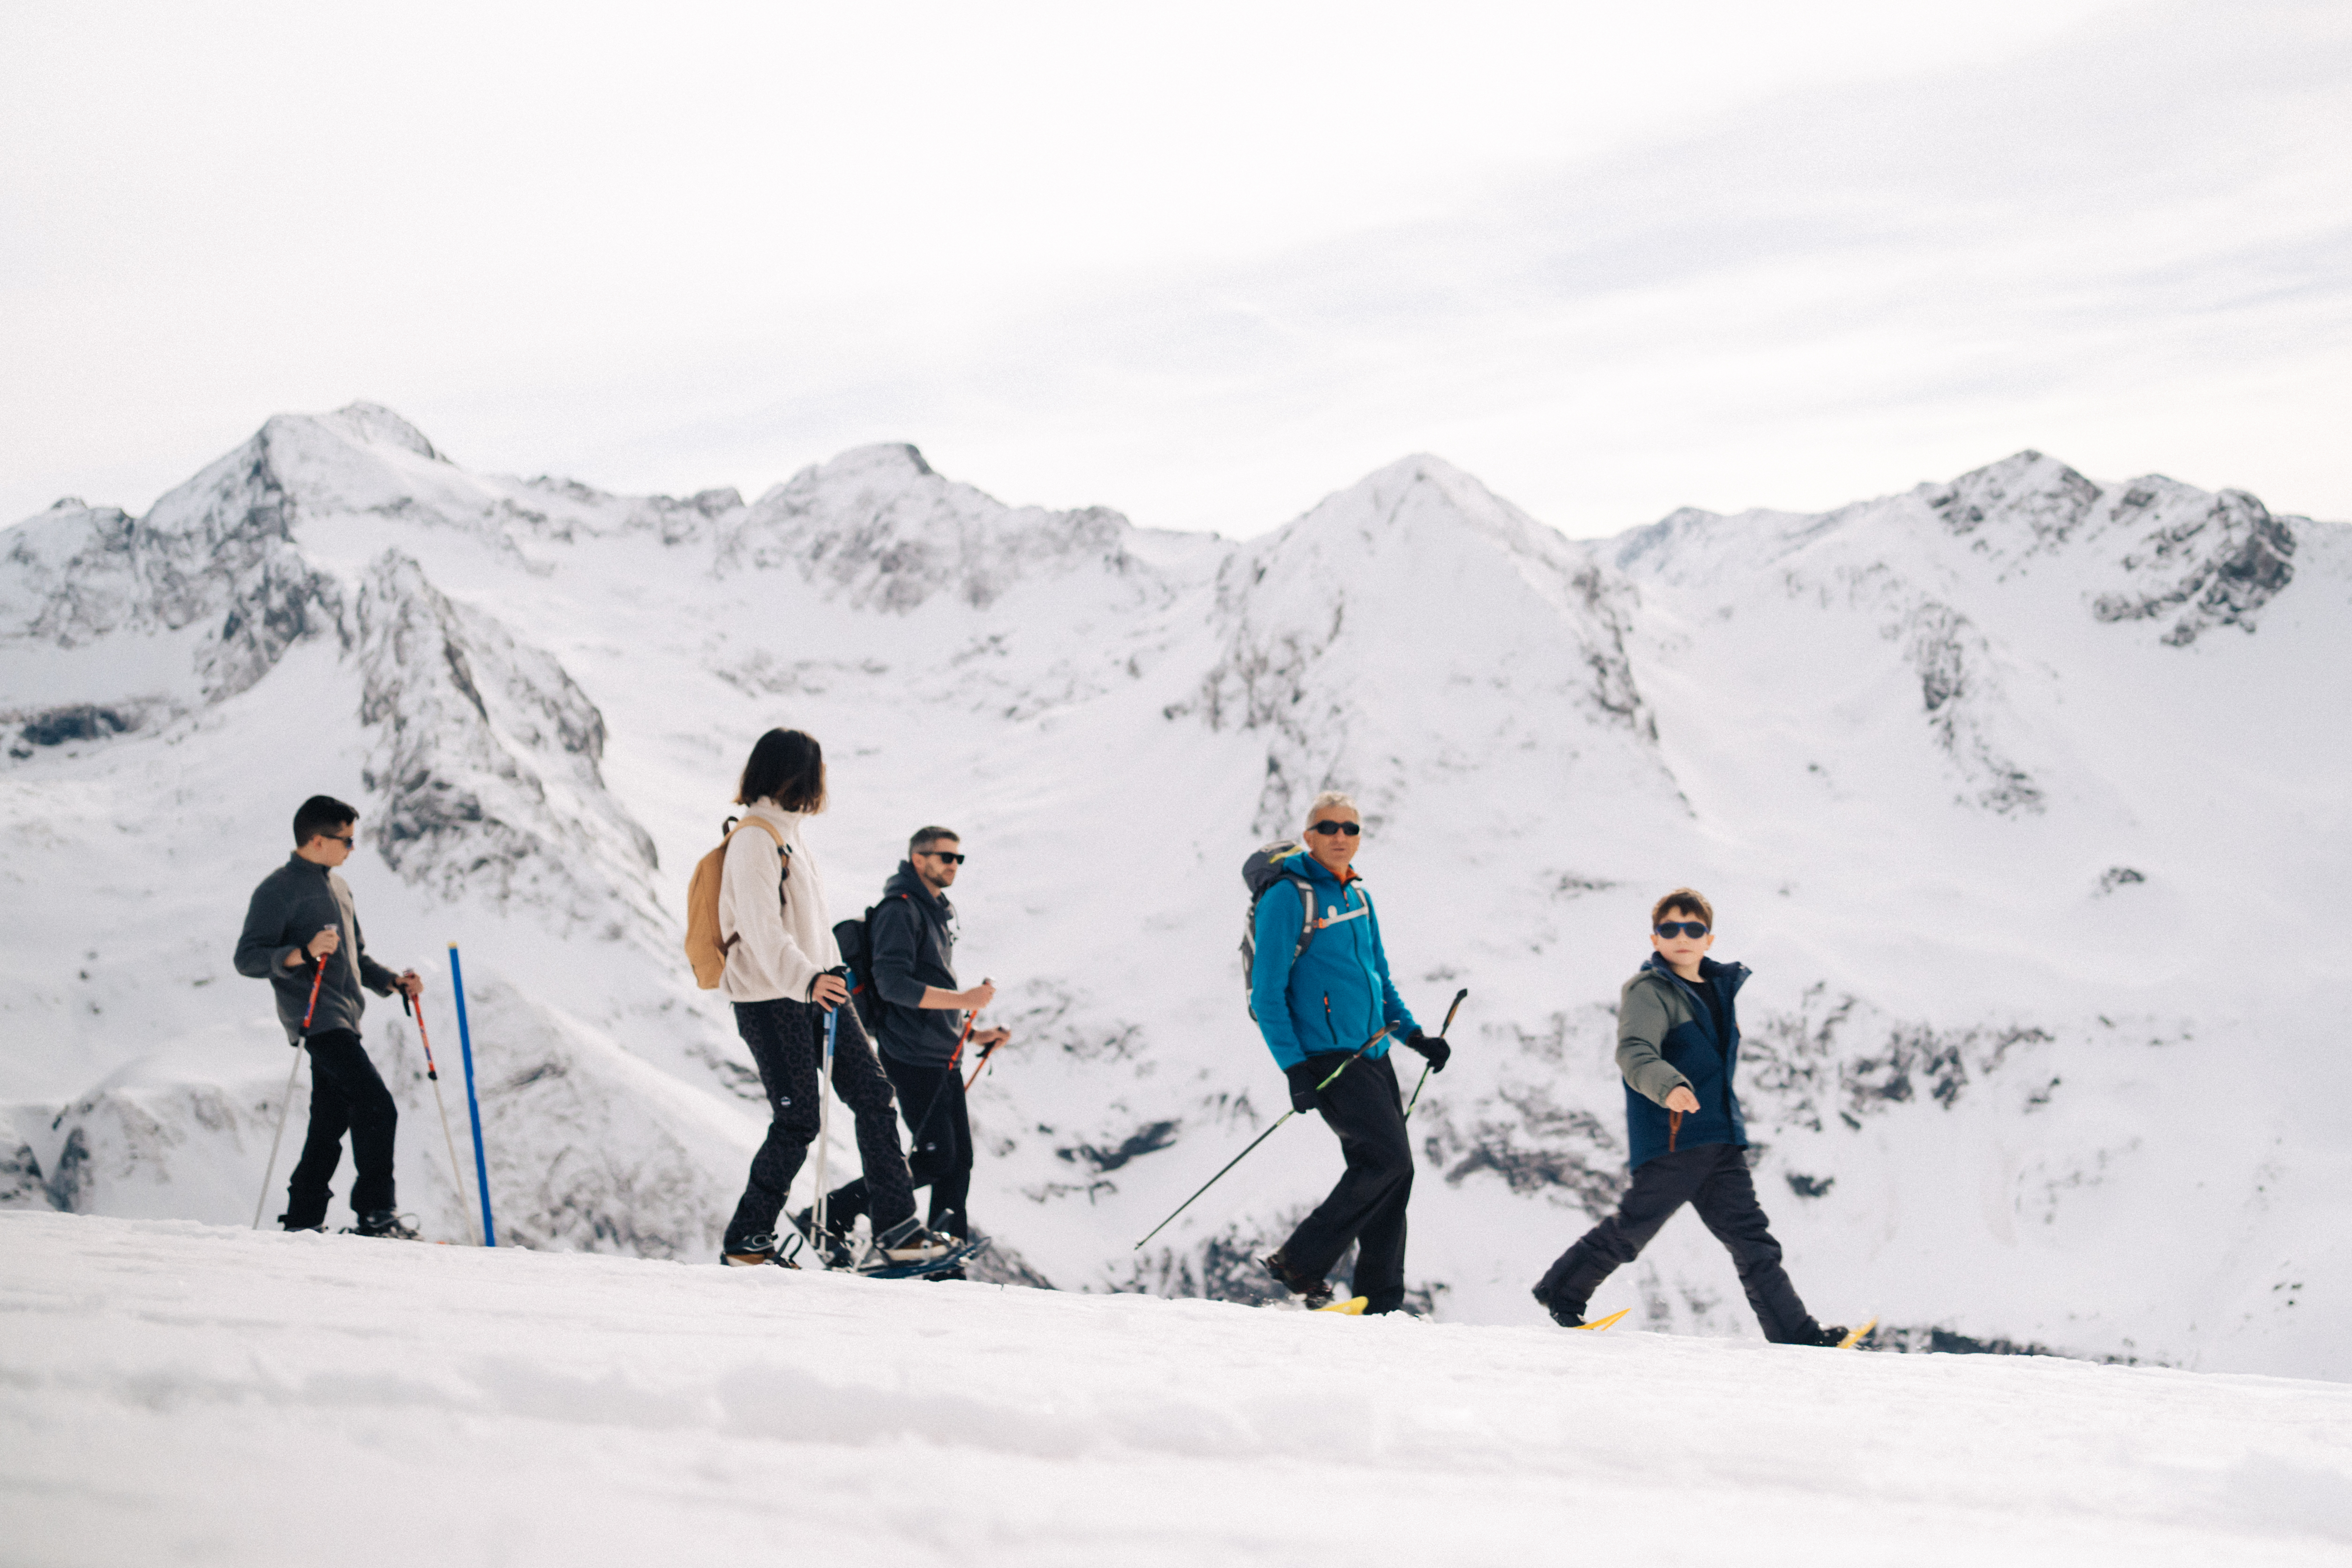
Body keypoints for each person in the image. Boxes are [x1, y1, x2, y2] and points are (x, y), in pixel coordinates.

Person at [1530, 888, 1851, 1346]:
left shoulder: (1718, 989)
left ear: (1709, 939)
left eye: (1693, 929)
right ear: (1655, 937)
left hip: (1718, 1136)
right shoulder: (1649, 991)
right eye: (1670, 929)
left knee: (1753, 1241)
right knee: (1635, 1226)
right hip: (1674, 1135)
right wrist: (1671, 1087)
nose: (1682, 937)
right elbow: (1634, 1051)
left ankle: (1797, 1335)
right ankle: (1560, 1291)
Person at [714, 728, 951, 1271]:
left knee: (873, 1095)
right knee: (798, 1119)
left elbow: (805, 928)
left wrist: (828, 972)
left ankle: (897, 1228)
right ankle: (746, 1241)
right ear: (794, 774)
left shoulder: (789, 835)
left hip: (818, 989)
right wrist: (808, 980)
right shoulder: (755, 838)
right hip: (775, 997)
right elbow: (760, 930)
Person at [1249, 791, 1449, 1313]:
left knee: (1394, 1170)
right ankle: (1299, 1261)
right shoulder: (1288, 897)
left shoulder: (1358, 896)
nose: (1341, 836)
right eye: (1329, 827)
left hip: (1372, 1052)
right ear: (1309, 835)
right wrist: (1295, 1069)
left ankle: (1379, 1299)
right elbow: (1266, 994)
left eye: (1351, 829)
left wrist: (1414, 1035)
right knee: (1385, 1161)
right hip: (1327, 1056)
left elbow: (1377, 977)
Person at [233, 794, 423, 1238]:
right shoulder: (277, 890)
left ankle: (303, 1218)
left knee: (330, 1122)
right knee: (377, 1105)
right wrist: (301, 953)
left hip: (345, 1017)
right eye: (347, 840)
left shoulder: (339, 887)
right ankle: (376, 1214)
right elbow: (247, 958)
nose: (352, 849)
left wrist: (395, 982)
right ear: (317, 841)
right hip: (316, 1018)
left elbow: (357, 956)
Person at [845, 825, 1007, 1253]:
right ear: (919, 859)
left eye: (958, 858)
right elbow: (893, 984)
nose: (954, 864)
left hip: (939, 1052)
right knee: (937, 1158)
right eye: (945, 856)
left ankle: (947, 1252)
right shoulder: (900, 910)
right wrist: (966, 998)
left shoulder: (932, 911)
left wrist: (972, 1034)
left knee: (957, 1163)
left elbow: (928, 991)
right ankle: (838, 1208)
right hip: (910, 1054)